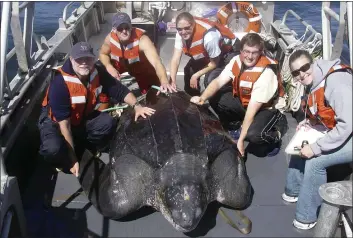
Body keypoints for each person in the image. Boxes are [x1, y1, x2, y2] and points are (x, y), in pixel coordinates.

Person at [38, 42, 155, 177]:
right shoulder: (60, 84)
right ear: (71, 60)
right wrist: (73, 158)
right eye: (79, 59)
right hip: (56, 124)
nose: (84, 63)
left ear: (93, 59)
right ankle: (61, 160)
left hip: (80, 118)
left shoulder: (97, 71)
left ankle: (83, 144)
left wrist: (137, 106)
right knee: (53, 149)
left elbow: (119, 91)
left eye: (87, 58)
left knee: (108, 123)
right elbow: (64, 125)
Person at [281, 49, 352, 230]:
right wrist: (310, 121)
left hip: (349, 131)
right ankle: (293, 190)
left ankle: (306, 217)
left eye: (305, 68)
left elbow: (347, 125)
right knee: (300, 142)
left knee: (315, 161)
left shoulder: (336, 82)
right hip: (341, 129)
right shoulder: (315, 80)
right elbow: (326, 110)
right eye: (296, 72)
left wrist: (317, 147)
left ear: (313, 63)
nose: (302, 74)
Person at [190, 33, 288, 157]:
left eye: (254, 52)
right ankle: (236, 126)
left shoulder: (266, 73)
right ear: (241, 51)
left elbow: (252, 110)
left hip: (267, 109)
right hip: (246, 102)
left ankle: (277, 133)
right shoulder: (237, 60)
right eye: (247, 51)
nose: (250, 56)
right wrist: (202, 98)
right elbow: (219, 81)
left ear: (261, 52)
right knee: (216, 97)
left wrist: (241, 141)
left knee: (254, 136)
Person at [99, 12, 176, 95]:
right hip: (121, 65)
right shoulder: (109, 39)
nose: (124, 31)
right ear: (114, 29)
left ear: (131, 27)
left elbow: (157, 63)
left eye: (127, 27)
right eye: (120, 28)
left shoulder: (143, 40)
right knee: (101, 67)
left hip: (140, 68)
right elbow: (103, 54)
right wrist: (109, 67)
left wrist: (164, 81)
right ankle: (106, 97)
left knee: (152, 92)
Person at [170, 12, 238, 97]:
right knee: (189, 70)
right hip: (209, 54)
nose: (183, 32)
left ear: (193, 24)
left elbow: (214, 63)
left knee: (210, 79)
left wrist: (196, 75)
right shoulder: (180, 33)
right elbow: (175, 59)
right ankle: (193, 101)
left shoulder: (209, 36)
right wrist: (172, 81)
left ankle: (223, 103)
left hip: (228, 52)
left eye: (187, 28)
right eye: (179, 29)